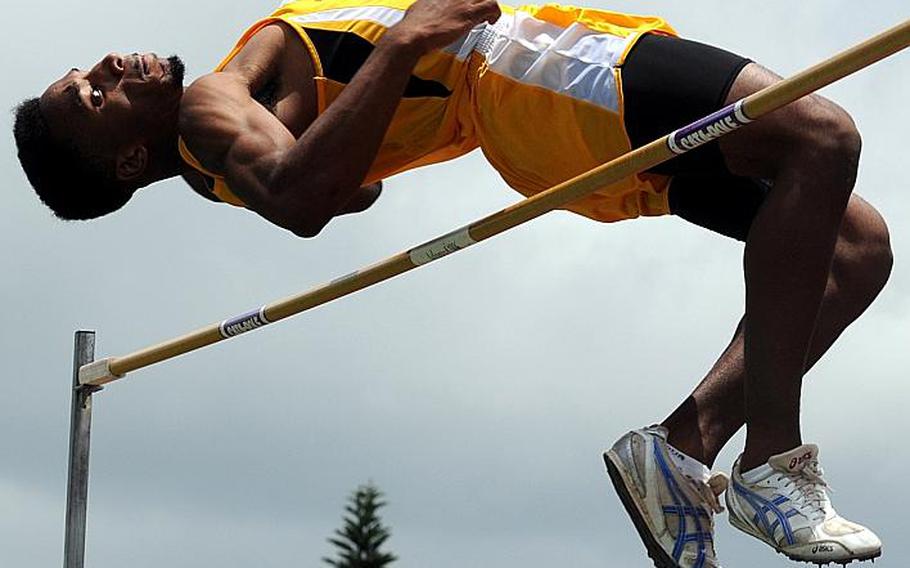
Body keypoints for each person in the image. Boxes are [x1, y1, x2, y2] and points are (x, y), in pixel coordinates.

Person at [14, 0, 892, 565]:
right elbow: (308, 198)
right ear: (131, 159)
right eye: (94, 95)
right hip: (524, 71)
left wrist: (333, 87)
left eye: (88, 70)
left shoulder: (225, 148)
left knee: (854, 246)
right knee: (821, 136)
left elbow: (346, 187)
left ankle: (681, 449)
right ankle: (773, 461)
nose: (108, 65)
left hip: (531, 100)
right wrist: (401, 42)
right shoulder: (213, 103)